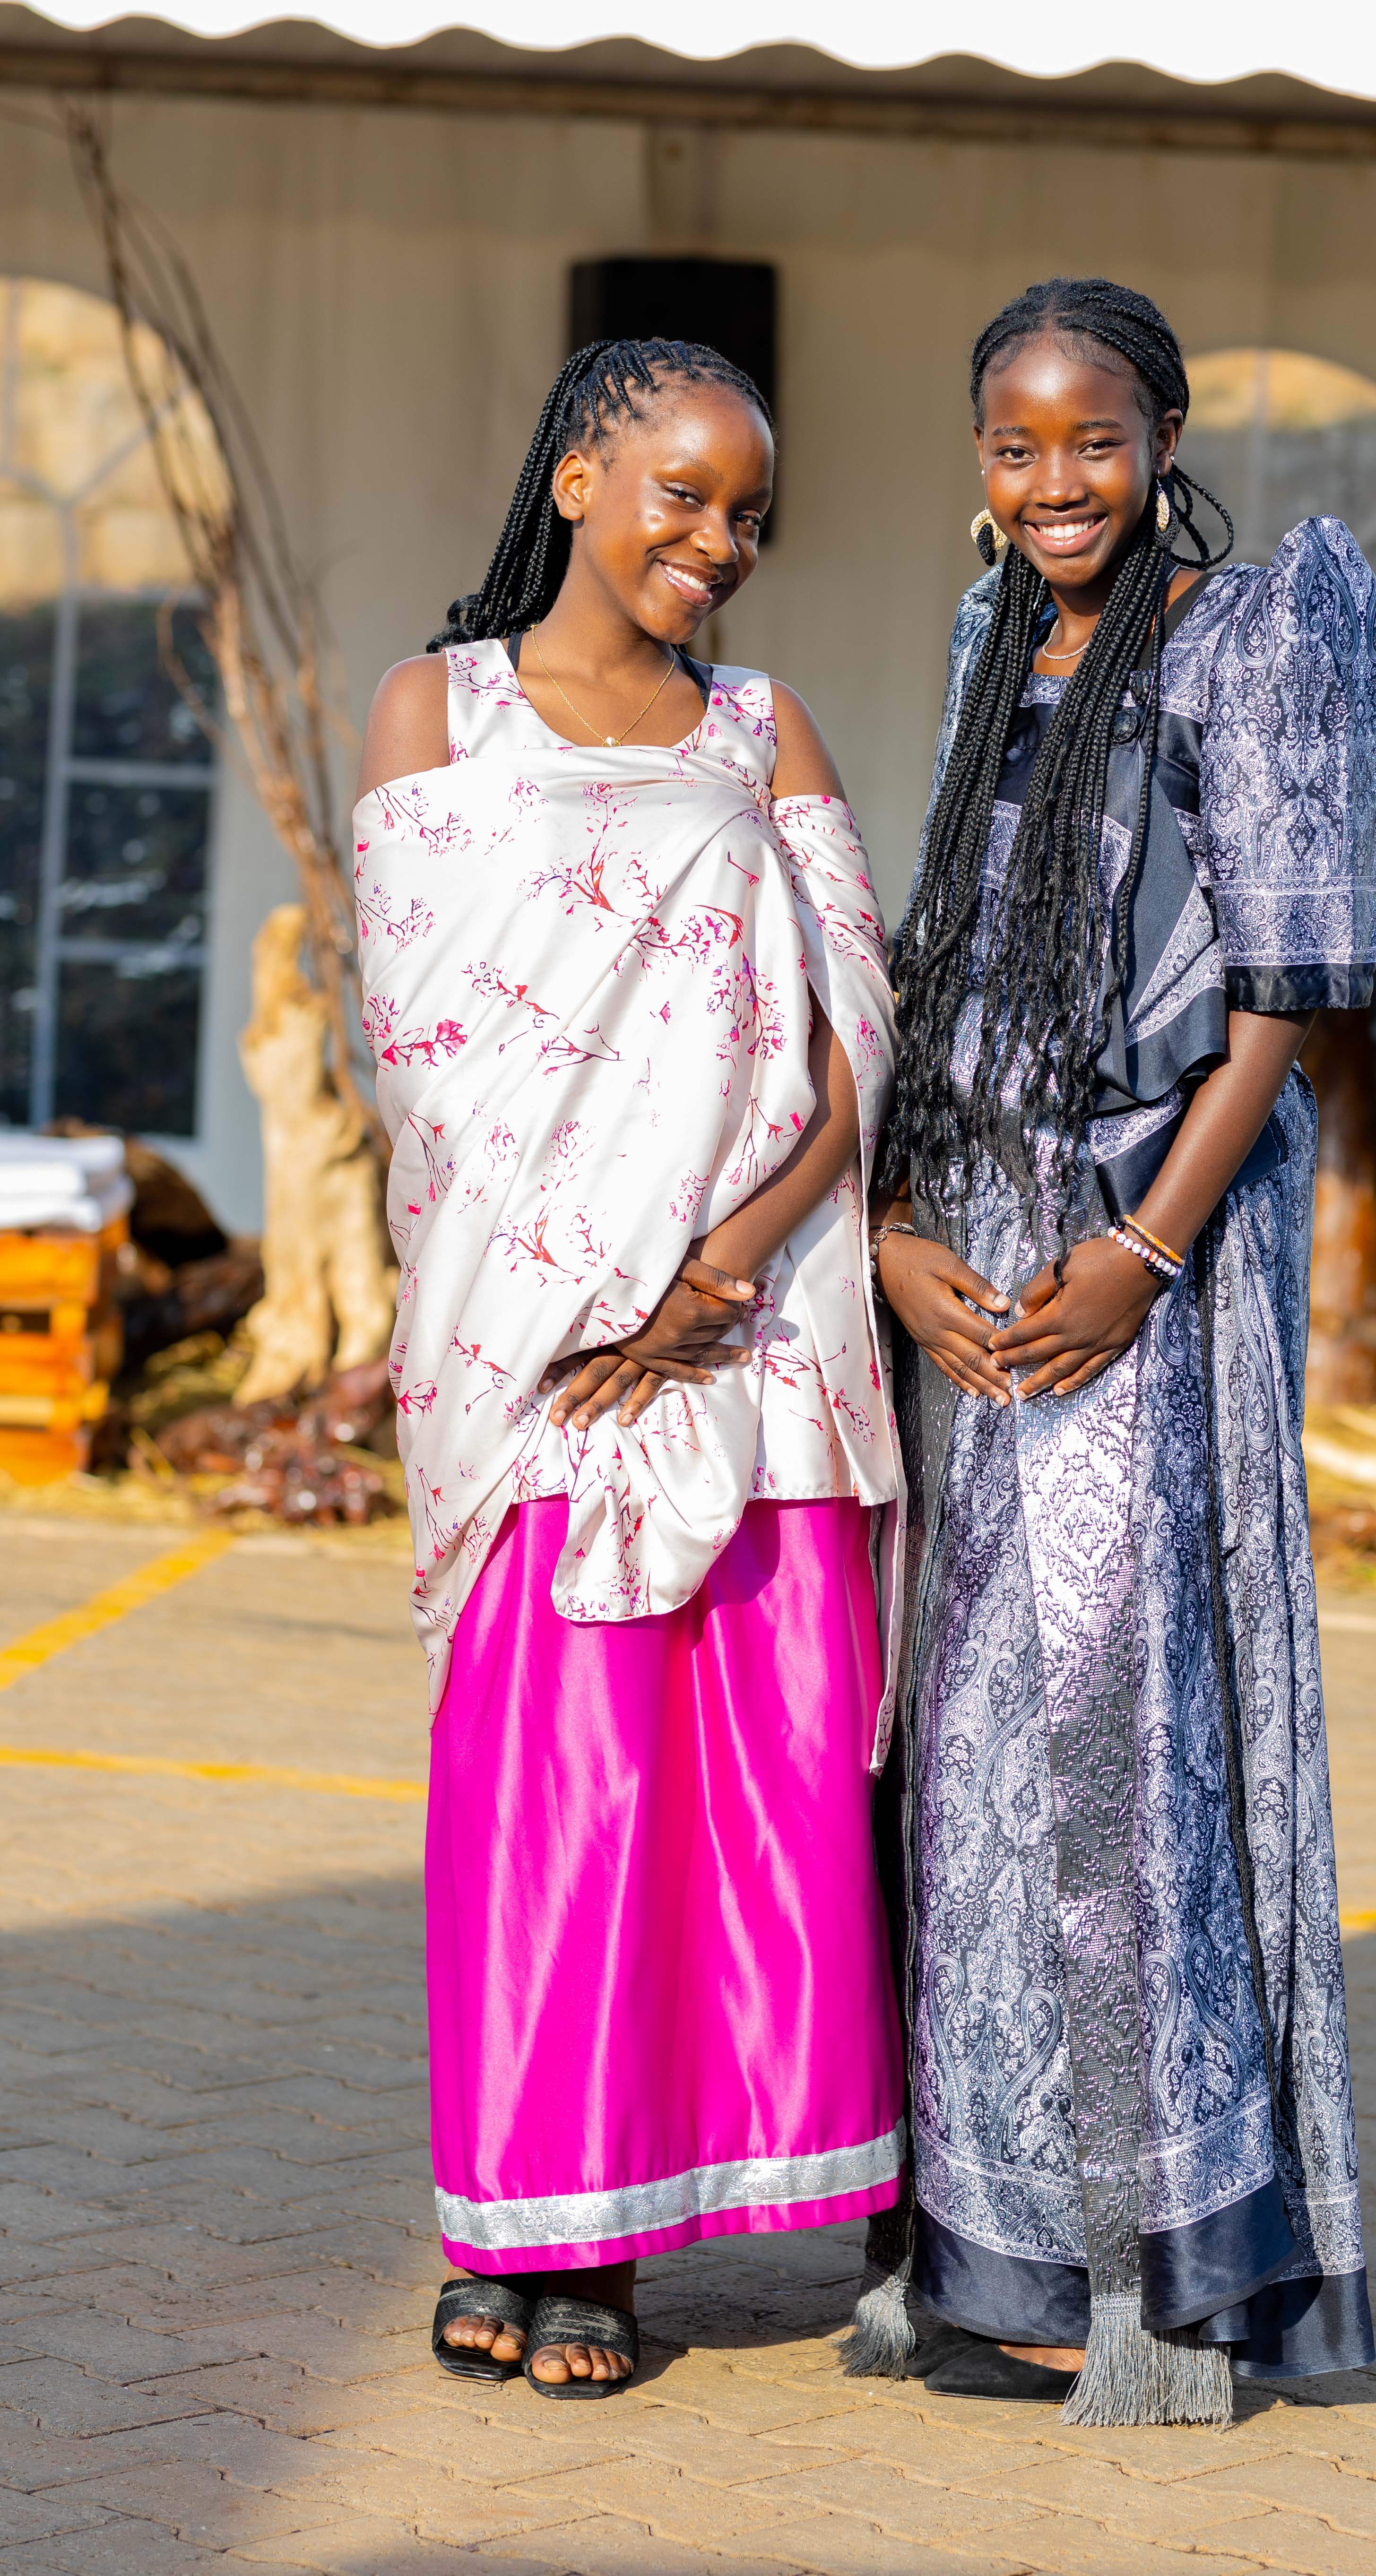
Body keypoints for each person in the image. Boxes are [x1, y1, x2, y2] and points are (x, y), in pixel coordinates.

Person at [844, 277, 1376, 2428]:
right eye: (1014, 444)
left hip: (1137, 1253)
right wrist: (897, 1229)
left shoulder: (1254, 635)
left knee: (1116, 1723)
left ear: (1161, 436)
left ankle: (1151, 2271)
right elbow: (949, 957)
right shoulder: (994, 637)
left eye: (1091, 438)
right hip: (972, 1253)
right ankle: (989, 2249)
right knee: (968, 1741)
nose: (1053, 479)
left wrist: (1139, 1257)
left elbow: (1277, 1005)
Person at [355, 337, 904, 2399]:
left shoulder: (765, 733)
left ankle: (619, 2257)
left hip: (745, 1352)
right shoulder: (434, 709)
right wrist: (587, 1286)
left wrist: (720, 1265)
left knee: (739, 1811)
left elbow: (855, 1046)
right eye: (684, 492)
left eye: (749, 513)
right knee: (547, 1809)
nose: (719, 541)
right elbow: (429, 1056)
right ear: (581, 475)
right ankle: (529, 2227)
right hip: (532, 1353)